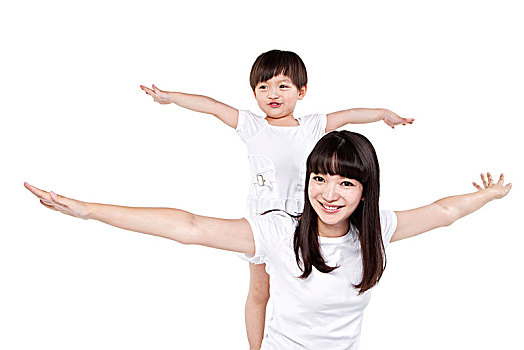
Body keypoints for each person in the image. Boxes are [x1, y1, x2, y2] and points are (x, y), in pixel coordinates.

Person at [25, 130, 511, 350]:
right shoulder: (279, 232)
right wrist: (88, 211)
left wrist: (485, 198)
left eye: (345, 182)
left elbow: (444, 212)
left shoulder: (376, 230)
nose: (329, 193)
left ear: (365, 191)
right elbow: (188, 226)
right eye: (320, 178)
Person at [140, 50, 414, 349]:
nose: (273, 94)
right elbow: (214, 107)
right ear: (254, 92)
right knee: (259, 291)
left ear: (302, 91)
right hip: (262, 223)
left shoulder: (311, 126)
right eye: (263, 87)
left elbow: (349, 115)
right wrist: (171, 97)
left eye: (283, 86)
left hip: (305, 222)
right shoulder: (253, 125)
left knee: (298, 286)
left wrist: (382, 114)